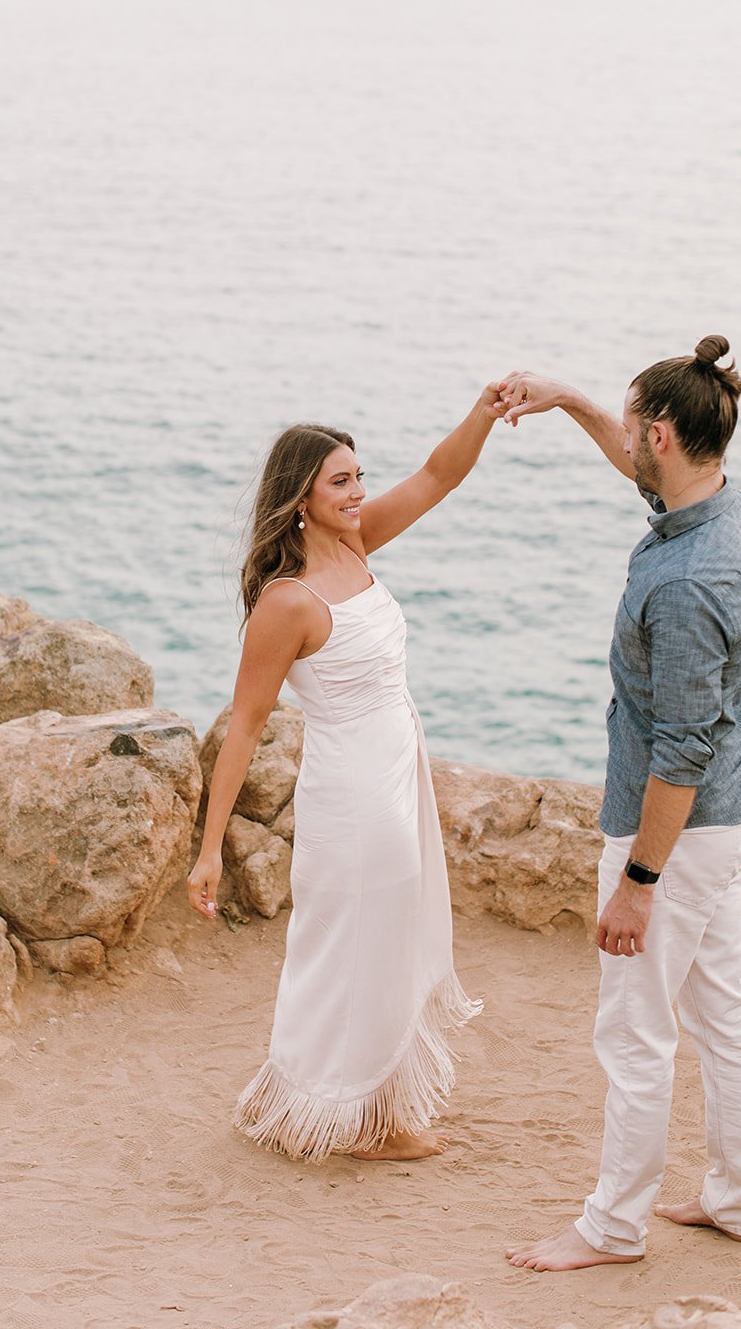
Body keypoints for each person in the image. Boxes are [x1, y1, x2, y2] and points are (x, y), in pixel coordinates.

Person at [501, 335, 741, 1271]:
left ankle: (611, 1228)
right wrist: (567, 398)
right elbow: (641, 472)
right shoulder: (728, 508)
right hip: (734, 806)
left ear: (659, 433)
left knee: (633, 1034)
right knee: (722, 1007)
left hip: (680, 830)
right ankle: (734, 1200)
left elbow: (680, 747)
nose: (623, 440)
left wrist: (639, 882)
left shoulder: (691, 577)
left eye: (627, 424)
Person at [187, 383, 506, 1161]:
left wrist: (483, 411)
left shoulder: (358, 542)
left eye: (360, 476)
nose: (359, 492)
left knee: (382, 942)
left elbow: (436, 477)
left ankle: (365, 1110)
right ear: (301, 497)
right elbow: (245, 727)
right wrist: (208, 847)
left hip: (398, 773)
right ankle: (359, 1120)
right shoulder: (287, 602)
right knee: (354, 948)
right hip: (355, 797)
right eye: (341, 481)